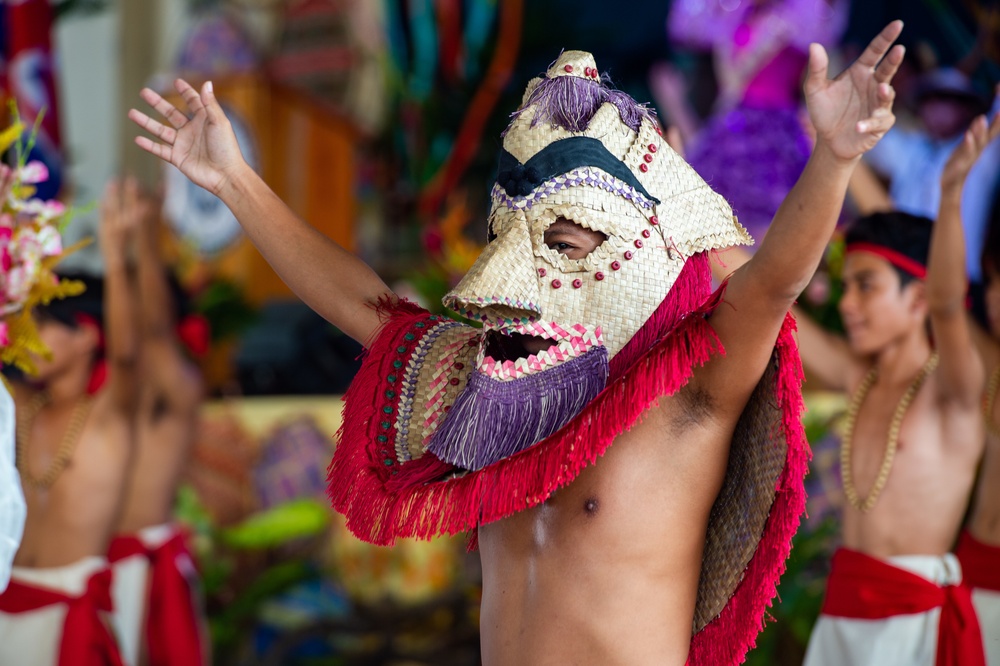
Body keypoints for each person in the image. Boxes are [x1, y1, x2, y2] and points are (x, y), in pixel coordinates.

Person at [130, 22, 905, 665]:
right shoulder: (487, 389)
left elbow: (771, 285)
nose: (533, 272)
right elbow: (362, 304)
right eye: (522, 245)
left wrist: (835, 158)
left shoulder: (689, 400)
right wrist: (233, 182)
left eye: (565, 243)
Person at [795, 115, 1000, 665]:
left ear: (917, 299)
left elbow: (948, 305)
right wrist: (684, 214)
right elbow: (771, 303)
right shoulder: (857, 375)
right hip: (842, 613)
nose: (846, 304)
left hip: (912, 622)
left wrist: (951, 195)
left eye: (865, 286)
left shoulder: (954, 389)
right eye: (845, 286)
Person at [0, 180, 139, 665]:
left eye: (42, 324)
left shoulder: (108, 417)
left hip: (69, 617)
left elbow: (127, 356)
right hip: (7, 604)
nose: (27, 335)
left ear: (86, 337)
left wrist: (116, 256)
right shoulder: (20, 405)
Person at [106, 179, 207, 666]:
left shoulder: (177, 387)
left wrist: (143, 239)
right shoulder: (112, 386)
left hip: (147, 565)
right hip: (100, 559)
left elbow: (154, 328)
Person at [653, 0, 847, 242]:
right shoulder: (731, 13)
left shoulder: (802, 15)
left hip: (778, 131)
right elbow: (688, 32)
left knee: (778, 223)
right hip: (731, 125)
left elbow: (825, 49)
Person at [864, 68, 1000, 286]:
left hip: (958, 283)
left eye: (948, 99)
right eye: (931, 99)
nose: (937, 107)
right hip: (904, 275)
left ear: (968, 107)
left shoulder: (981, 152)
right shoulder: (914, 149)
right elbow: (868, 134)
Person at [960, 119, 1000, 664]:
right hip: (969, 571)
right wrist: (955, 189)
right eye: (990, 285)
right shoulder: (991, 364)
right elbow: (942, 297)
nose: (993, 299)